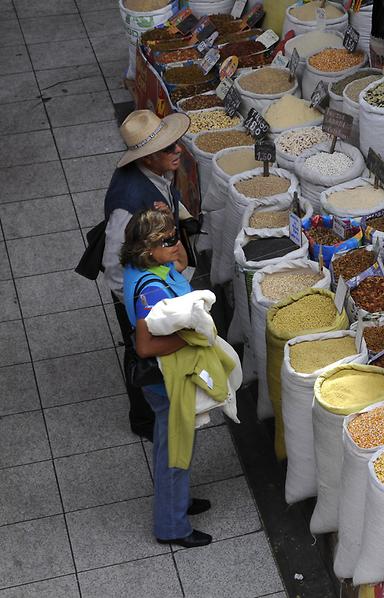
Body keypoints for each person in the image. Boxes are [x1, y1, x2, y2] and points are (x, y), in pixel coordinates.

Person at [120, 208, 212, 548]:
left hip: (170, 380)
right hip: (167, 382)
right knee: (174, 454)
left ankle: (180, 501)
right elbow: (145, 346)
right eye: (168, 240)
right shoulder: (151, 290)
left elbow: (181, 264)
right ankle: (172, 526)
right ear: (147, 248)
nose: (176, 244)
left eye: (176, 235)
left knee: (174, 446)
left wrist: (172, 236)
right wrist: (193, 337)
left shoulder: (142, 265)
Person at [104, 109, 191, 440]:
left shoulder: (157, 176)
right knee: (140, 350)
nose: (178, 150)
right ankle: (144, 419)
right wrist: (129, 303)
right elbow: (114, 264)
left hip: (157, 280)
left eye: (176, 143)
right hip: (140, 292)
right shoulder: (128, 203)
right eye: (168, 148)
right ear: (147, 157)